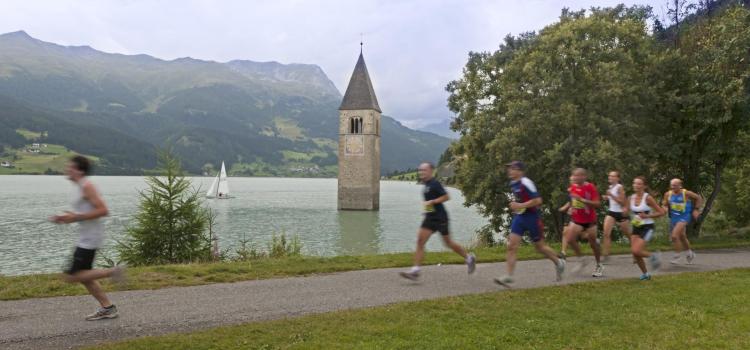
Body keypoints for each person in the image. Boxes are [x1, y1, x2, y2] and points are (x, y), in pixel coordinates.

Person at [50, 155, 125, 321]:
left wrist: (75, 218)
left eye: (70, 166)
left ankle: (113, 272)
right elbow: (84, 212)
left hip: (90, 239)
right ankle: (108, 308)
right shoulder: (79, 186)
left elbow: (103, 210)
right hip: (85, 237)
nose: (67, 169)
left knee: (71, 276)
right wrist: (68, 217)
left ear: (79, 170)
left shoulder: (87, 186)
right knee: (85, 276)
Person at [400, 162, 476, 280]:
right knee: (420, 241)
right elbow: (429, 202)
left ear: (430, 171)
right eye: (420, 170)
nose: (421, 172)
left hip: (440, 218)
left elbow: (446, 197)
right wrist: (426, 210)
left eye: (424, 170)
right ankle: (415, 270)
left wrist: (433, 202)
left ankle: (469, 258)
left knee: (448, 243)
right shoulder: (426, 185)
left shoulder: (435, 184)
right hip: (430, 218)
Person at [494, 161, 565, 287]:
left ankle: (558, 262)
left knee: (540, 247)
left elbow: (538, 201)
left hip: (532, 218)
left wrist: (520, 205)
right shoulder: (512, 183)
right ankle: (509, 276)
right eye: (509, 168)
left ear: (520, 171)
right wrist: (515, 205)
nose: (510, 170)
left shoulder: (526, 182)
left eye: (513, 168)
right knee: (511, 246)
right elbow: (520, 199)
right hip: (519, 218)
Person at [565, 168, 604, 277]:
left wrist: (582, 200)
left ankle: (599, 264)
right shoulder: (573, 187)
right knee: (569, 239)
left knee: (593, 244)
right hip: (577, 219)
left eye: (578, 176)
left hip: (590, 220)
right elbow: (573, 200)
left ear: (584, 176)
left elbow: (597, 204)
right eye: (574, 176)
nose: (576, 178)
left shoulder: (590, 187)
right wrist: (571, 207)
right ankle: (582, 259)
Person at [626, 176, 666, 280]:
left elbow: (661, 212)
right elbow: (626, 210)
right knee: (636, 254)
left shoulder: (647, 198)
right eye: (635, 183)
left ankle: (653, 256)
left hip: (647, 227)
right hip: (636, 226)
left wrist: (647, 216)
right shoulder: (631, 198)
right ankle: (646, 274)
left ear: (644, 186)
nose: (636, 185)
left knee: (636, 251)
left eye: (639, 184)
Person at [662, 178, 703, 264]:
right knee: (682, 236)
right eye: (672, 185)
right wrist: (664, 209)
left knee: (674, 236)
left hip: (684, 217)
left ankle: (677, 256)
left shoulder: (686, 193)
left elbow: (698, 198)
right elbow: (665, 204)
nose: (673, 187)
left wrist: (696, 209)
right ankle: (690, 253)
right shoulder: (667, 194)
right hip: (674, 217)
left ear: (680, 186)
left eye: (675, 185)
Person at [602, 171, 629, 261]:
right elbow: (612, 200)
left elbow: (622, 202)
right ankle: (606, 255)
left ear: (618, 178)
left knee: (628, 234)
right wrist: (607, 197)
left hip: (621, 213)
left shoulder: (619, 187)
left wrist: (611, 195)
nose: (610, 177)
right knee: (606, 234)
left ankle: (636, 252)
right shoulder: (610, 187)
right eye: (610, 176)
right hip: (611, 212)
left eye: (613, 176)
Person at [557, 176, 575, 260]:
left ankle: (593, 240)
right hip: (570, 214)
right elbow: (570, 202)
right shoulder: (571, 190)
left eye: (573, 180)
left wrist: (574, 208)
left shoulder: (582, 189)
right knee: (565, 232)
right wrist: (564, 208)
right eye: (570, 180)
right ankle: (563, 253)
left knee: (582, 233)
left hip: (579, 214)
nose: (571, 181)